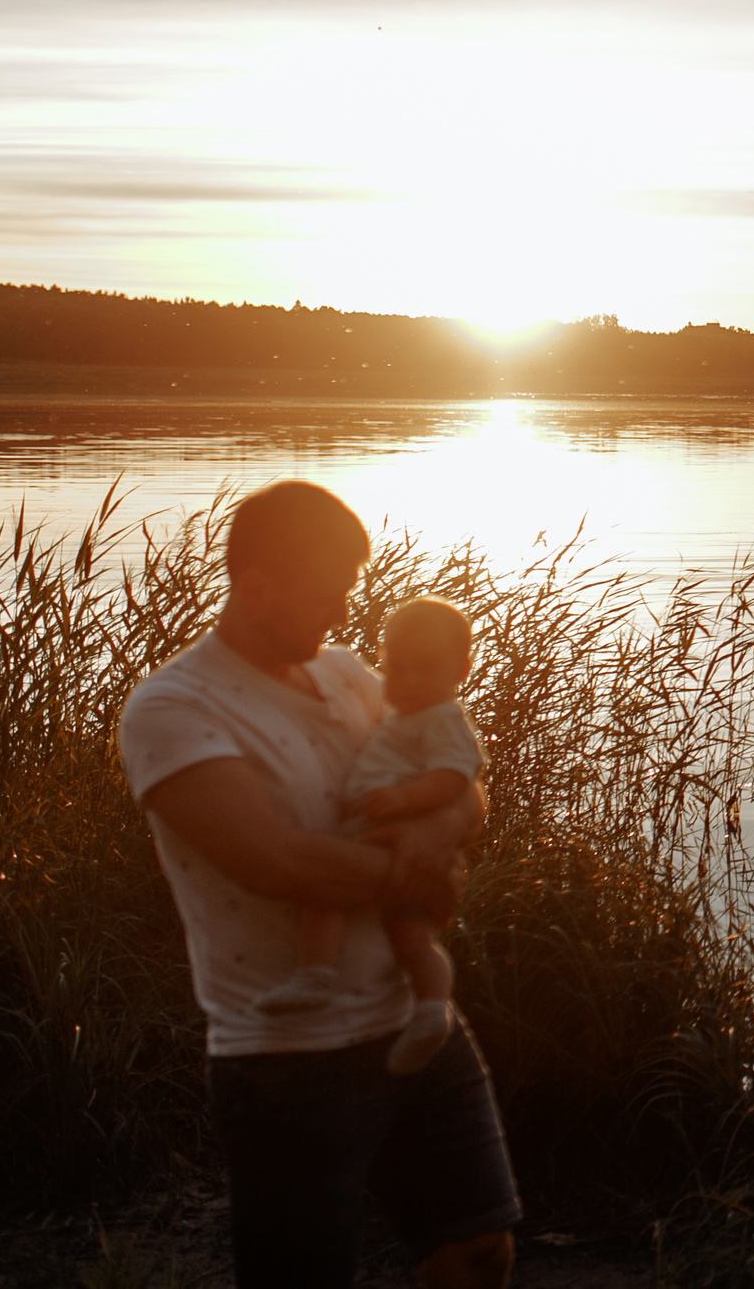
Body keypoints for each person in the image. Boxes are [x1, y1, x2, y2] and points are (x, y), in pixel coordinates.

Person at [117, 481, 518, 1289]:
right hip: (287, 1061)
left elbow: (461, 782)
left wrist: (437, 842)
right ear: (256, 582)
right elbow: (275, 861)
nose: (344, 609)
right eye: (328, 587)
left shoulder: (348, 678)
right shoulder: (173, 708)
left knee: (477, 1251)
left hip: (413, 1022)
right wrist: (415, 875)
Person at [255, 596, 486, 1080]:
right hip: (377, 835)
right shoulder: (400, 711)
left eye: (426, 669)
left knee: (345, 904)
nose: (410, 682)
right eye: (398, 669)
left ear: (462, 670)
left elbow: (455, 779)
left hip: (384, 834)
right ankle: (405, 1002)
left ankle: (418, 1006)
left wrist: (414, 816)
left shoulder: (441, 718)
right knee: (407, 935)